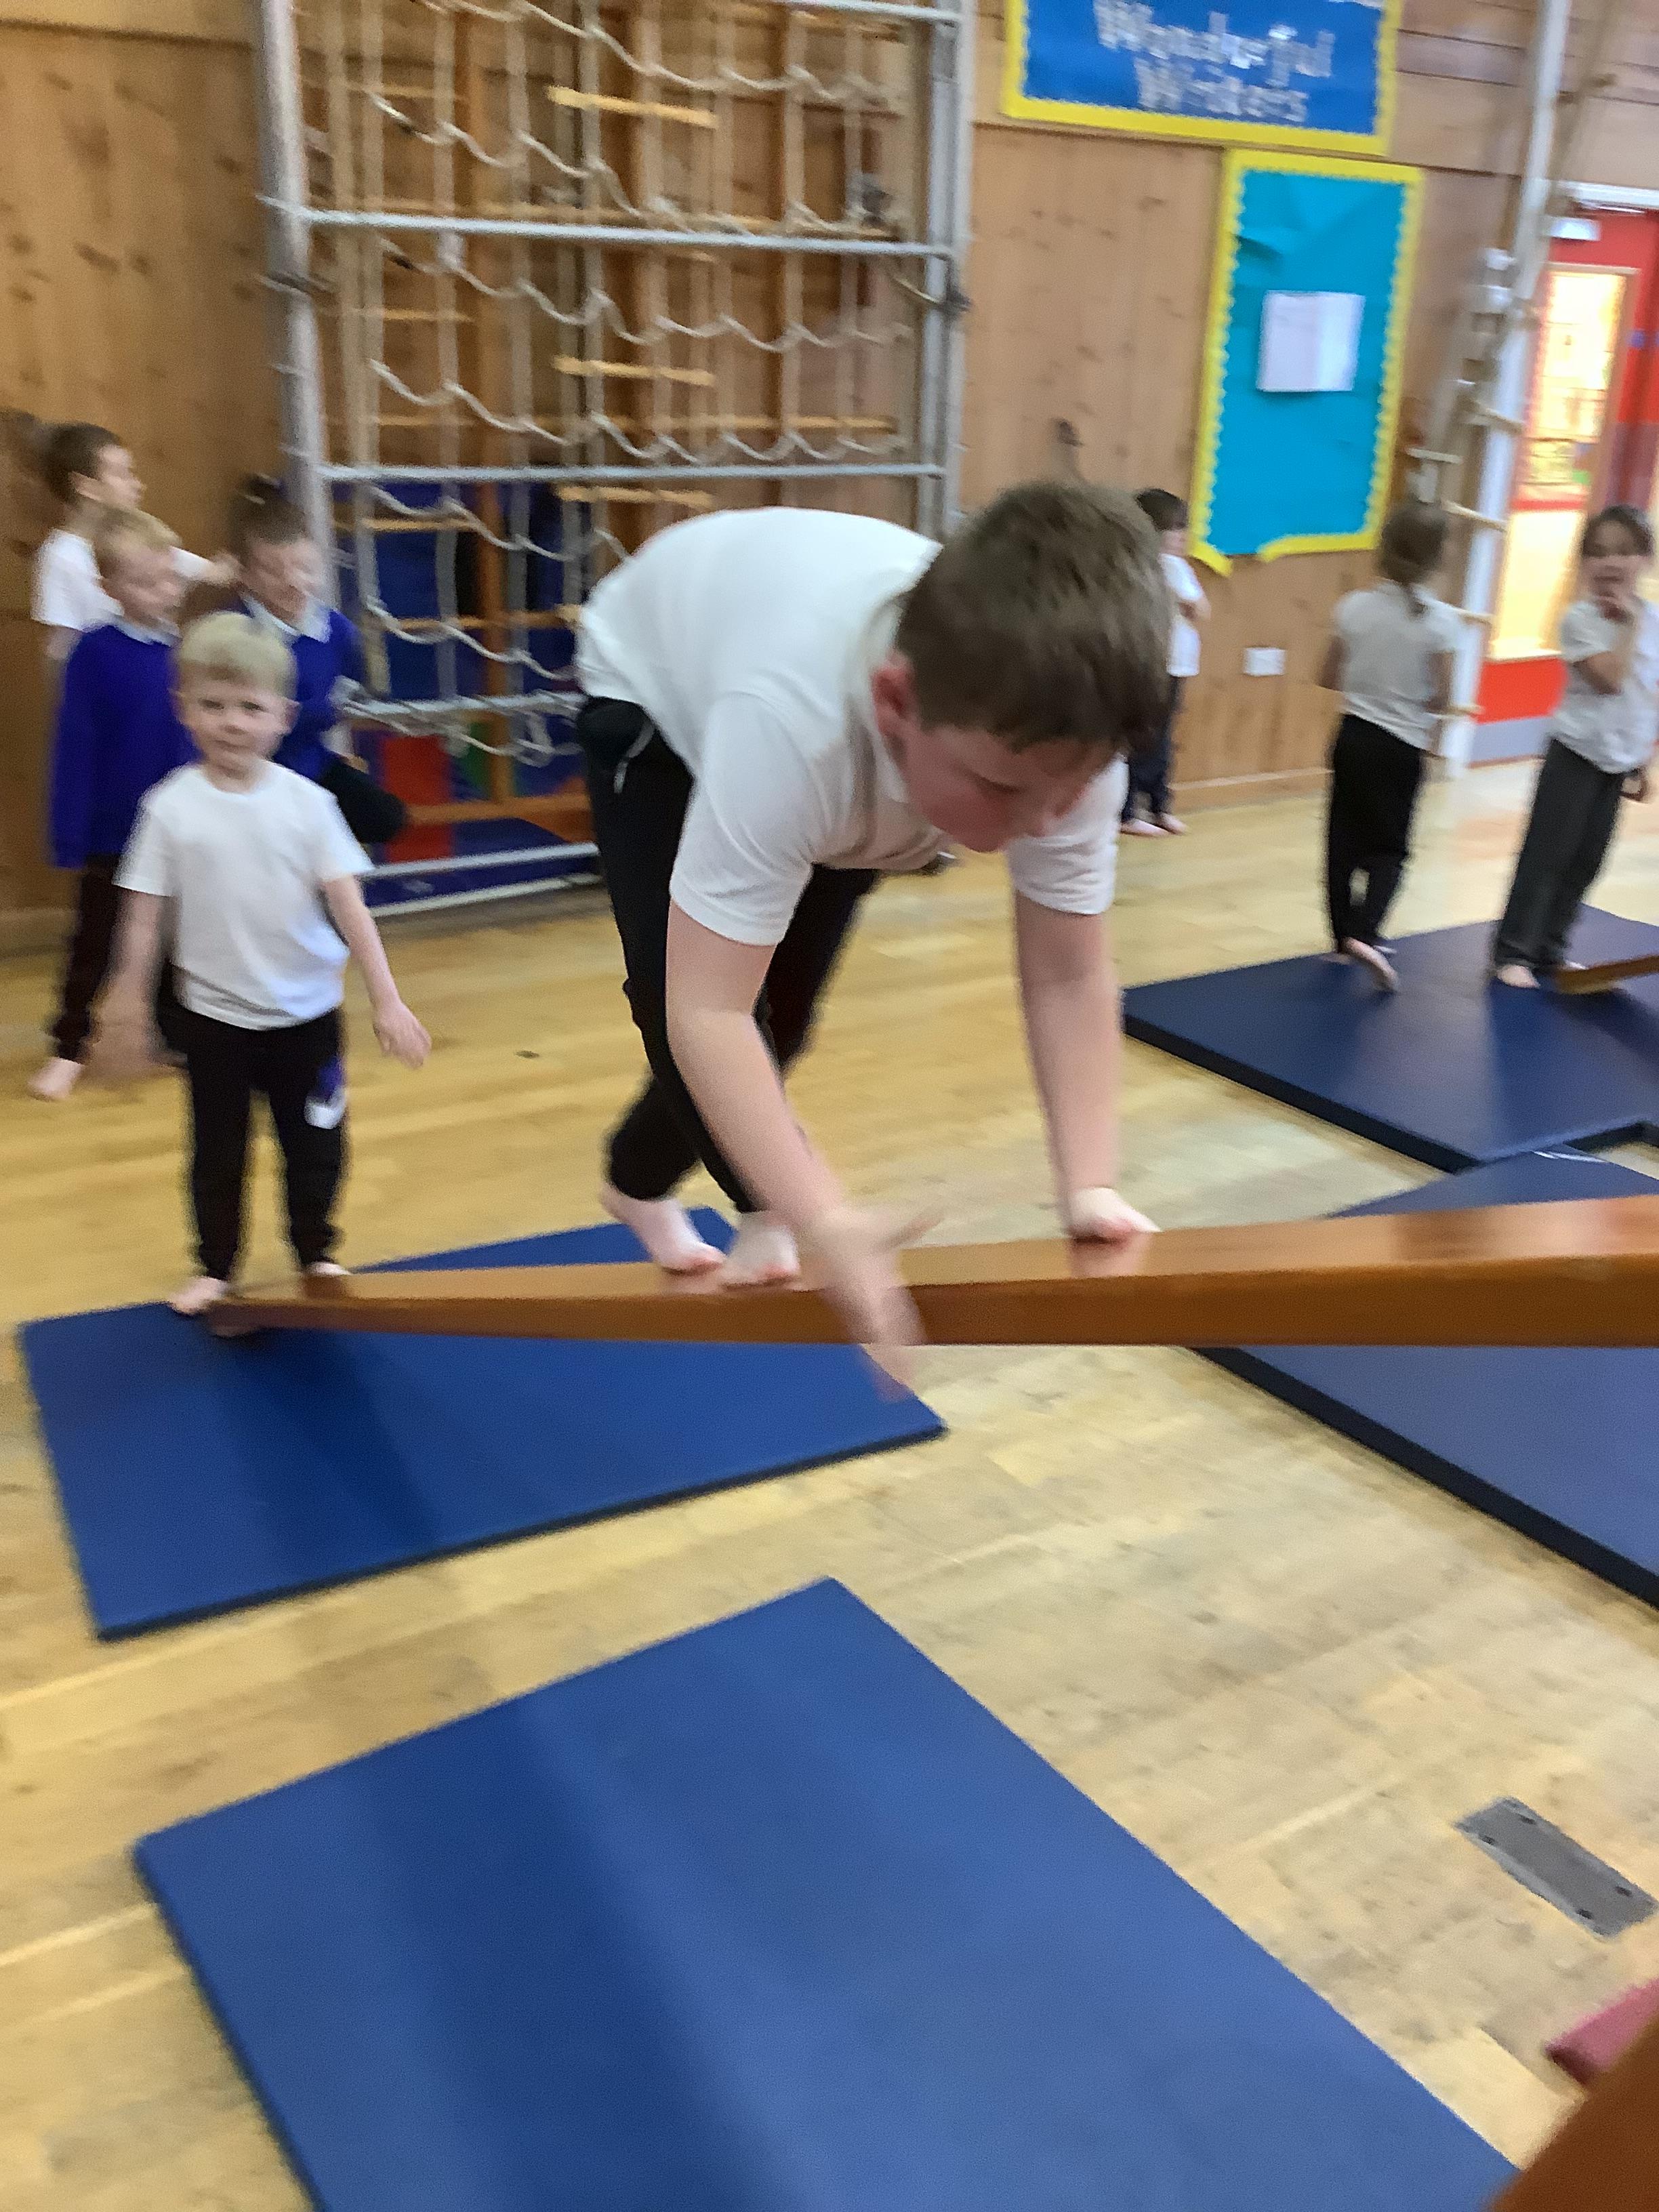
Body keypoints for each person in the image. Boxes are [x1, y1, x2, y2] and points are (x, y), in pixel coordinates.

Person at [571, 482, 1169, 1366]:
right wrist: (821, 1216)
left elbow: (1069, 974)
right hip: (656, 685)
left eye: (1073, 791)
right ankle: (760, 1202)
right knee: (699, 998)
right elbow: (705, 1010)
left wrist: (1090, 1186)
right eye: (1004, 789)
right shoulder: (793, 733)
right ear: (896, 702)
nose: (1045, 824)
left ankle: (638, 1181)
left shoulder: (1059, 748)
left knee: (786, 1021)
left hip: (841, 731)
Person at [92, 613, 430, 1315]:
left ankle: (317, 1251)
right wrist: (126, 1002)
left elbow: (352, 911)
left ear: (284, 716)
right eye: (213, 705)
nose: (232, 723)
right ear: (184, 709)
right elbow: (144, 917)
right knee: (218, 1151)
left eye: (250, 707)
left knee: (315, 1144)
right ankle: (215, 1266)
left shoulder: (310, 806)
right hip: (214, 1021)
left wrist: (389, 1001)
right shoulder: (169, 810)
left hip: (308, 1017)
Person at [28, 511, 197, 1102]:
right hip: (110, 832)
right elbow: (75, 747)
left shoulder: (182, 652)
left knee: (175, 939)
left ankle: (173, 1033)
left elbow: (190, 743)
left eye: (169, 578)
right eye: (146, 582)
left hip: (173, 831)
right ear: (109, 588)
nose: (164, 592)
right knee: (94, 943)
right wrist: (69, 832)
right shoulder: (93, 653)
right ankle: (68, 1046)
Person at [1492, 505, 1659, 987]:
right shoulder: (1580, 619)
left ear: (1644, 559)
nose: (1611, 563)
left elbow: (1647, 693)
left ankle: (1550, 949)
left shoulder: (1652, 619)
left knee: (1586, 862)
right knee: (1547, 855)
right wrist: (1629, 624)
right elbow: (1610, 679)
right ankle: (1513, 952)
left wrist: (1643, 759)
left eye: (1624, 552)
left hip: (1617, 760)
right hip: (1576, 754)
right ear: (1585, 562)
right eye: (1599, 553)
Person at [1316, 501, 1457, 991]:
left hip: (1353, 736)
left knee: (1341, 842)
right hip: (1401, 746)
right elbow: (1443, 697)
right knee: (1389, 849)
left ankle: (1341, 940)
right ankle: (1366, 932)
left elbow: (1326, 674)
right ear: (1438, 558)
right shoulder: (1440, 621)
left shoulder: (1353, 608)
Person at [226, 476, 409, 847]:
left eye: (305, 568)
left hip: (313, 763)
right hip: (252, 770)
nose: (293, 582)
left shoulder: (335, 628)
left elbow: (352, 684)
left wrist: (338, 708)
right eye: (273, 571)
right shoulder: (235, 632)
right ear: (246, 577)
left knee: (385, 817)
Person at [23, 419, 230, 663]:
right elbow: (60, 650)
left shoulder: (138, 539)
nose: (138, 486)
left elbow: (216, 576)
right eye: (123, 475)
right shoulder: (61, 557)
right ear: (86, 486)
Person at [1121, 488, 1208, 837]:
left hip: (1177, 664)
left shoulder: (1179, 567)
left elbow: (1202, 610)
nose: (1180, 536)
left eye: (1182, 528)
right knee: (1143, 737)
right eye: (1172, 529)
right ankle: (1128, 810)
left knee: (1164, 736)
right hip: (1152, 663)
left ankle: (1159, 805)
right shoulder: (1143, 566)